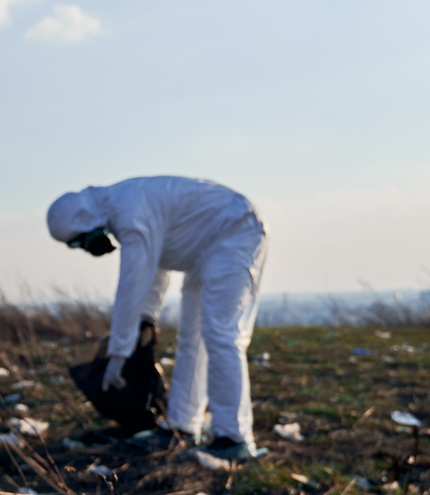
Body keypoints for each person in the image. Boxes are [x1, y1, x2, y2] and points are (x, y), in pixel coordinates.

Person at [47, 176, 268, 461]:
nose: (84, 248)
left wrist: (119, 353)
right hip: (209, 246)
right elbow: (154, 272)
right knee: (193, 338)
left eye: (78, 242)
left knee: (222, 334)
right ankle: (182, 426)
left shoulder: (128, 211)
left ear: (82, 221)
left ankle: (234, 438)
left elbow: (132, 282)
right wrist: (145, 321)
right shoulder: (121, 210)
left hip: (236, 230)